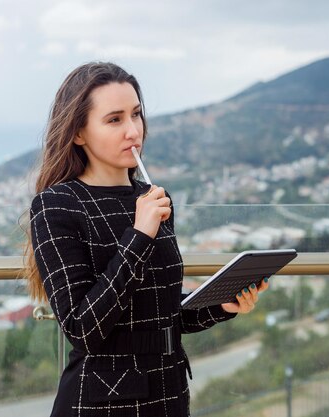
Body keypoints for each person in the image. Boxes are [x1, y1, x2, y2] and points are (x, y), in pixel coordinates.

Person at [23, 61, 268, 417]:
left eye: (136, 115)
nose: (133, 131)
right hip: (102, 403)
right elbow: (83, 329)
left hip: (169, 394)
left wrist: (221, 306)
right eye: (114, 119)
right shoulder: (56, 206)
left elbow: (159, 314)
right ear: (78, 133)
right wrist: (139, 236)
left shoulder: (153, 198)